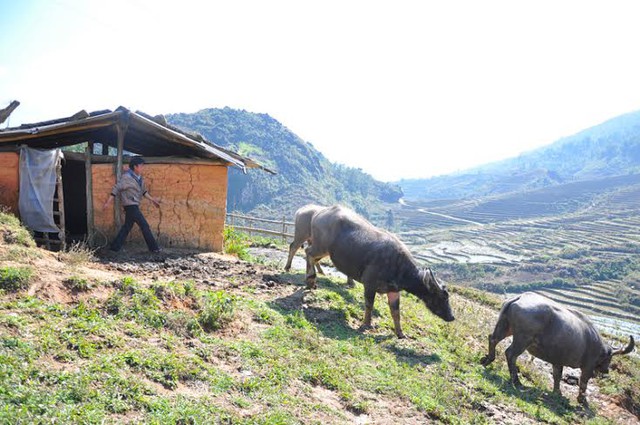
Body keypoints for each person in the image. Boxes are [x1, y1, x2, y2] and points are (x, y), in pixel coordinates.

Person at [103, 156, 161, 253]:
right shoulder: (127, 177)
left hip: (134, 205)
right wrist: (108, 202)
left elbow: (144, 192)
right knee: (144, 225)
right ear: (135, 167)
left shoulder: (139, 179)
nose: (143, 168)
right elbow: (116, 188)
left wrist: (153, 200)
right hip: (130, 205)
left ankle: (114, 247)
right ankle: (154, 248)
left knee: (127, 227)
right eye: (141, 166)